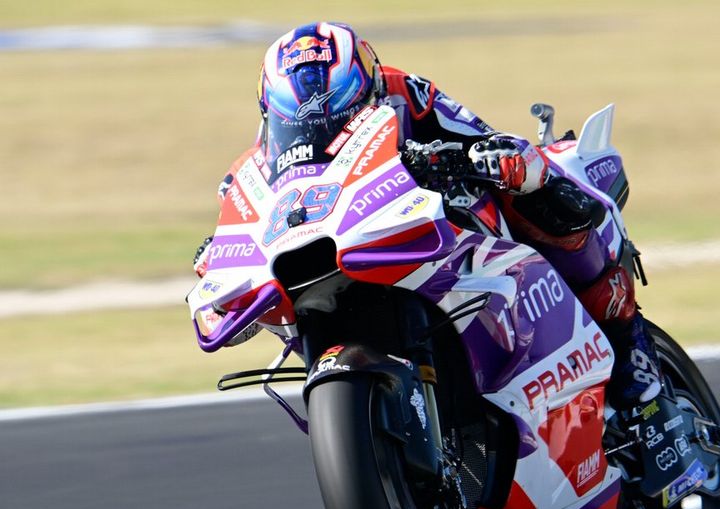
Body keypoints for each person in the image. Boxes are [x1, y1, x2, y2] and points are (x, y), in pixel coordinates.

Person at [194, 21, 663, 413]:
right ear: (270, 112)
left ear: (368, 84)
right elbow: (240, 224)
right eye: (298, 115)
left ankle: (632, 352)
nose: (318, 122)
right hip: (347, 246)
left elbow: (487, 137)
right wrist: (218, 261)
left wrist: (492, 159)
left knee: (537, 194)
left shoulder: (409, 94)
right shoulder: (252, 169)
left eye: (337, 104)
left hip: (443, 223)